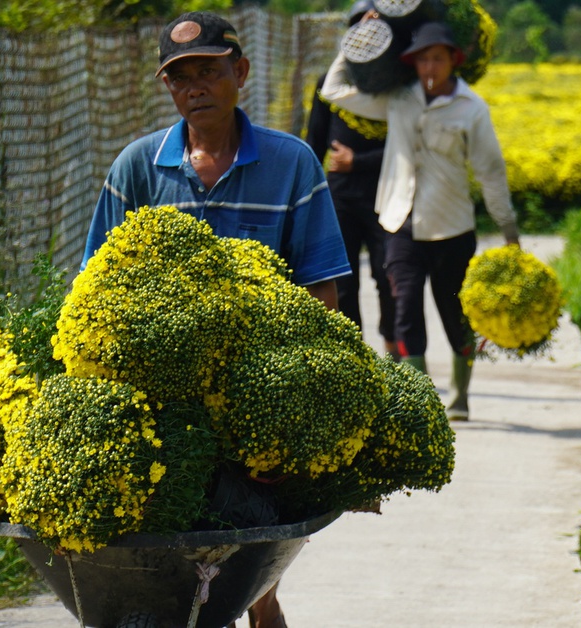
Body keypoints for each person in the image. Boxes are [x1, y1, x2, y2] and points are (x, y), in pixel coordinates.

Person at [80, 11, 351, 628]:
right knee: (169, 549)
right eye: (180, 78)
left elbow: (321, 287)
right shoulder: (137, 168)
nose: (194, 88)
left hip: (256, 389)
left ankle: (259, 595)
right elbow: (92, 287)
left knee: (251, 542)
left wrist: (295, 394)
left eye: (208, 71)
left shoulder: (292, 163)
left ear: (241, 72)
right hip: (158, 393)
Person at [321, 18, 521, 421]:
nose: (430, 67)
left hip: (452, 228)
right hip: (400, 224)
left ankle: (460, 396)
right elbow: (333, 90)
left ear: (453, 61)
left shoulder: (471, 109)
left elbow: (491, 172)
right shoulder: (398, 99)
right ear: (412, 63)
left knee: (455, 315)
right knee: (404, 308)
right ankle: (423, 402)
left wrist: (509, 232)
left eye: (438, 59)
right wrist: (358, 40)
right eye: (423, 59)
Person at [306, 0, 398, 359]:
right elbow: (315, 143)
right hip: (339, 198)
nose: (367, 39)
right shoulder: (330, 85)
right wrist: (307, 199)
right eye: (359, 32)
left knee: (388, 276)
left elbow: (407, 149)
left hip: (384, 196)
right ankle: (354, 357)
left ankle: (392, 352)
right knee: (342, 283)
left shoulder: (396, 88)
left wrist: (356, 162)